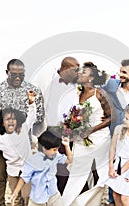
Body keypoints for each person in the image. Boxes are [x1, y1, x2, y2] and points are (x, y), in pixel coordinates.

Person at [0, 59, 45, 206]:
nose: (18, 77)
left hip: (24, 142)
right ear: (7, 73)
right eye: (14, 74)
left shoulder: (33, 91)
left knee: (26, 180)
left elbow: (39, 117)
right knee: (0, 176)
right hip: (1, 141)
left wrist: (32, 139)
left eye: (21, 74)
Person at [61, 62, 114, 206]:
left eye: (83, 73)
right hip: (80, 140)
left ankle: (89, 202)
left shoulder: (100, 93)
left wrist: (91, 130)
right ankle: (66, 203)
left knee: (102, 174)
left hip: (99, 139)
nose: (79, 74)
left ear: (90, 78)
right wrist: (71, 127)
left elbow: (111, 117)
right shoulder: (78, 93)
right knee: (76, 174)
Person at [102, 59, 129, 205]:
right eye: (119, 71)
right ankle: (111, 201)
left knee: (123, 175)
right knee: (113, 163)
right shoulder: (112, 84)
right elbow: (99, 89)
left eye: (124, 72)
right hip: (115, 130)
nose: (120, 74)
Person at [0, 104, 36, 205]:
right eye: (7, 119)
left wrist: (31, 104)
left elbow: (32, 117)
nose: (11, 121)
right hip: (13, 172)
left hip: (27, 170)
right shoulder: (1, 139)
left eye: (13, 119)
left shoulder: (23, 129)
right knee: (16, 197)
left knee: (27, 195)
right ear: (2, 123)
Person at [44, 56, 80, 194]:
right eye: (75, 69)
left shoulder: (75, 86)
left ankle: (61, 197)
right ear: (65, 69)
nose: (78, 72)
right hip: (49, 132)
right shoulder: (49, 82)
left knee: (63, 168)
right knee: (48, 168)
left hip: (67, 133)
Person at [10, 130, 73, 206]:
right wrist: (15, 192)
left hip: (53, 195)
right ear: (44, 148)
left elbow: (69, 160)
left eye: (57, 149)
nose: (56, 152)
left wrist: (67, 146)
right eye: (54, 150)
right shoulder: (33, 161)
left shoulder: (56, 156)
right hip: (38, 199)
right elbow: (24, 177)